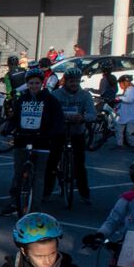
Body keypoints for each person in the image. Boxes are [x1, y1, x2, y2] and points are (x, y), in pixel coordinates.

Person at [1, 72, 65, 214]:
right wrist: (7, 129)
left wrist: (53, 133)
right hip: (22, 139)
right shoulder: (22, 99)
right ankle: (13, 202)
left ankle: (35, 208)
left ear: (41, 84)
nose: (34, 86)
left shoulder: (50, 100)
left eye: (37, 83)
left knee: (38, 177)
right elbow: (14, 118)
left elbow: (58, 120)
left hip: (42, 141)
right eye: (31, 83)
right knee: (18, 173)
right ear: (27, 84)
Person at [46, 70, 96, 204]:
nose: (74, 84)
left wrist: (82, 117)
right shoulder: (56, 94)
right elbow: (48, 113)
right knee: (52, 162)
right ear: (65, 81)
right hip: (59, 133)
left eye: (77, 81)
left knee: (79, 164)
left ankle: (84, 193)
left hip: (76, 132)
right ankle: (46, 192)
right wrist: (59, 118)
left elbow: (92, 114)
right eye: (71, 81)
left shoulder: (85, 95)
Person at [114, 74, 134, 148]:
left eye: (120, 83)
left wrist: (120, 98)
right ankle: (119, 145)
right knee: (119, 130)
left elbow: (130, 100)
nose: (120, 85)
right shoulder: (127, 89)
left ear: (125, 82)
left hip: (130, 115)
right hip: (123, 114)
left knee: (129, 132)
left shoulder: (133, 89)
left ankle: (133, 146)